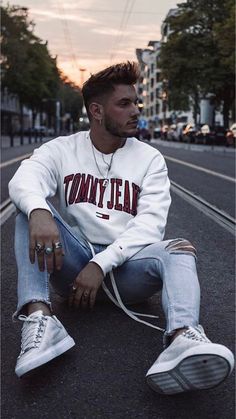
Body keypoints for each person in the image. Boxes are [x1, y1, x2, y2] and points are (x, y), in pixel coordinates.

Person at [9, 62, 234, 394]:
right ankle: (41, 318)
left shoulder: (150, 159)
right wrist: (40, 210)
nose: (136, 111)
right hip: (72, 269)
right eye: (125, 103)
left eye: (136, 102)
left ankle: (183, 337)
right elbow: (25, 178)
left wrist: (100, 265)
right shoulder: (62, 149)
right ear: (97, 111)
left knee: (179, 249)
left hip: (128, 272)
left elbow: (150, 226)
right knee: (26, 213)